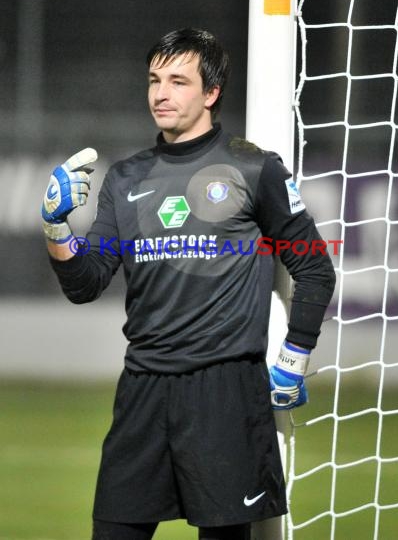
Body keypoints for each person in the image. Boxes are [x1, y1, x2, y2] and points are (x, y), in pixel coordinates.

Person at [41, 28, 336, 540]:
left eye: (178, 80)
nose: (161, 93)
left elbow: (313, 265)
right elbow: (85, 283)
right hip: (143, 390)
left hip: (227, 393)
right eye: (155, 80)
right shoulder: (126, 178)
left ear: (211, 92)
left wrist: (294, 359)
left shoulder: (253, 167)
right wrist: (56, 228)